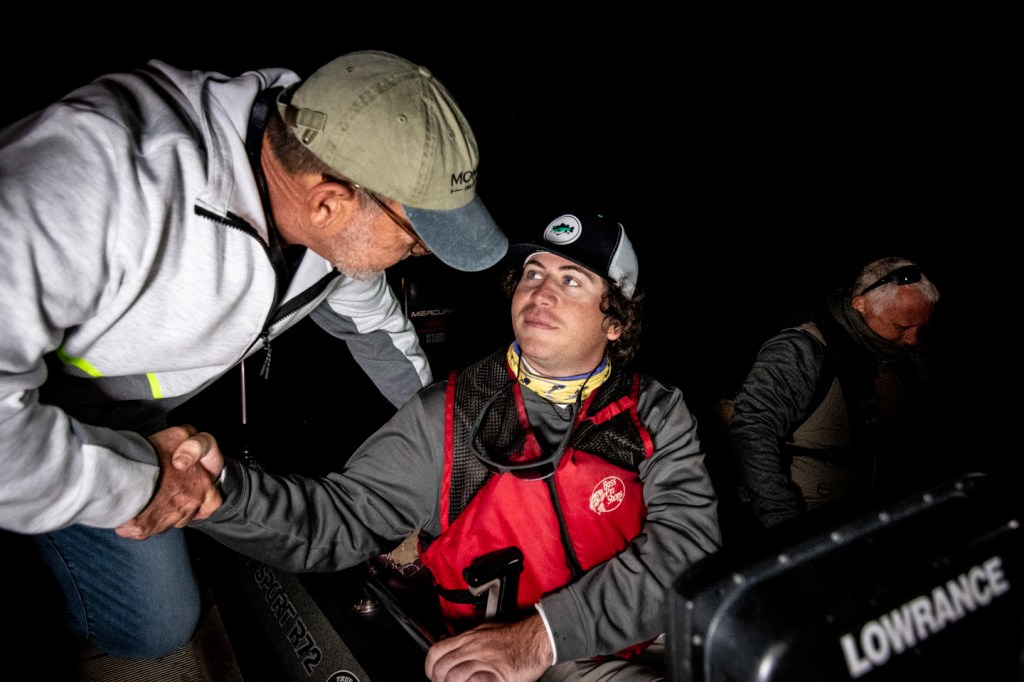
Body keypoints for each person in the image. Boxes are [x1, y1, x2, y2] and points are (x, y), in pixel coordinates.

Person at [0, 50, 507, 660]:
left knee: (163, 621)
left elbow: (380, 332)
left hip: (120, 422)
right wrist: (139, 480)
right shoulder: (96, 181)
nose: (417, 256)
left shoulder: (319, 203)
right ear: (329, 203)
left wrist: (447, 451)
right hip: (24, 420)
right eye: (416, 241)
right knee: (129, 623)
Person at [128, 210, 723, 681]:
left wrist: (545, 633)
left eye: (571, 280)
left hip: (647, 632)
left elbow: (688, 548)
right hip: (521, 661)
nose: (541, 292)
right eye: (533, 273)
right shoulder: (450, 413)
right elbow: (338, 521)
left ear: (616, 321)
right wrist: (221, 495)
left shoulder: (656, 409)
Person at [727, 256, 947, 531]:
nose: (913, 339)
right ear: (860, 305)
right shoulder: (802, 350)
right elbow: (752, 430)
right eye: (902, 327)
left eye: (920, 327)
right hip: (812, 516)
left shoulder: (908, 361)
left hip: (876, 516)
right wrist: (782, 521)